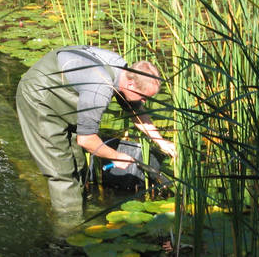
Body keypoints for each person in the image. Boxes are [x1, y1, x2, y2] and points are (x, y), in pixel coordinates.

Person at [16, 45, 176, 215]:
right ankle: (68, 229)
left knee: (78, 163)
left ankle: (80, 208)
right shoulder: (99, 89)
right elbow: (86, 140)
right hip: (39, 97)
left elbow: (135, 109)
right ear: (130, 83)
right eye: (143, 97)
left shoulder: (124, 71)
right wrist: (117, 156)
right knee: (61, 173)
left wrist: (160, 141)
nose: (144, 102)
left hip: (66, 92)